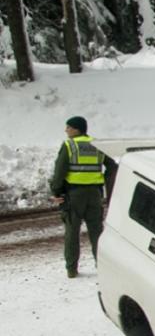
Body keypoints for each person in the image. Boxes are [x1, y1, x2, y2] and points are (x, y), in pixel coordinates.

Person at [50, 116, 116, 278]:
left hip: (74, 195)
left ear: (77, 129)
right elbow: (112, 165)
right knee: (96, 231)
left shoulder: (69, 145)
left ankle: (72, 269)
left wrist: (57, 192)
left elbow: (60, 172)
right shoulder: (97, 144)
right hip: (94, 195)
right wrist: (105, 184)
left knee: (72, 232)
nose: (66, 130)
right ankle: (102, 265)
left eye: (69, 127)